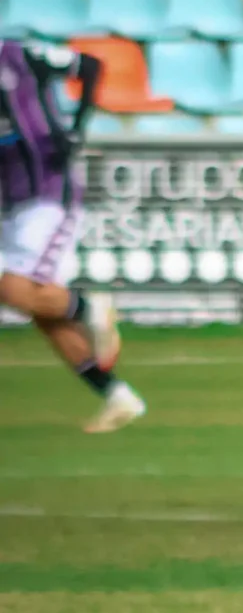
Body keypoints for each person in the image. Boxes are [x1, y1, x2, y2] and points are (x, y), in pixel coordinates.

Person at [0, 37, 144, 432]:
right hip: (11, 202)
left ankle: (91, 309)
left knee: (14, 289)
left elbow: (90, 65)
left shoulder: (20, 54)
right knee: (42, 311)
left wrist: (77, 128)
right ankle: (118, 395)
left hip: (49, 190)